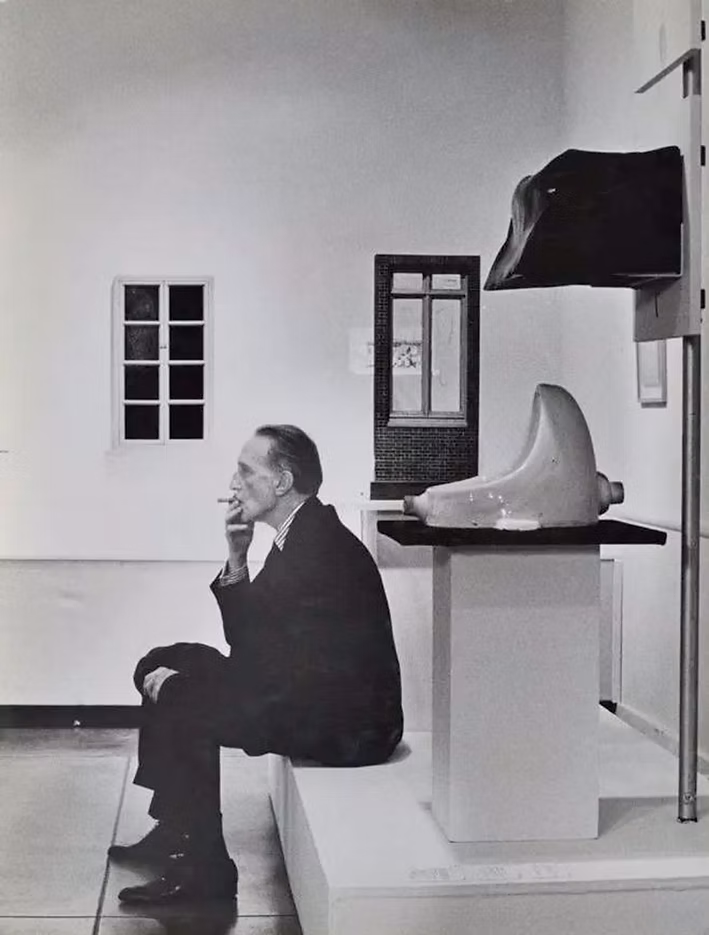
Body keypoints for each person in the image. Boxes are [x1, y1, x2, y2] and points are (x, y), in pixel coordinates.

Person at [112, 424, 404, 905]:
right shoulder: (302, 533)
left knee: (182, 694)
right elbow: (254, 644)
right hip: (308, 691)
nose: (234, 484)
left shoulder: (318, 548)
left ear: (282, 481)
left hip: (347, 724)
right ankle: (176, 825)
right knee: (161, 662)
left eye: (246, 472)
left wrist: (193, 687)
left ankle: (206, 870)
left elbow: (257, 657)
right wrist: (237, 556)